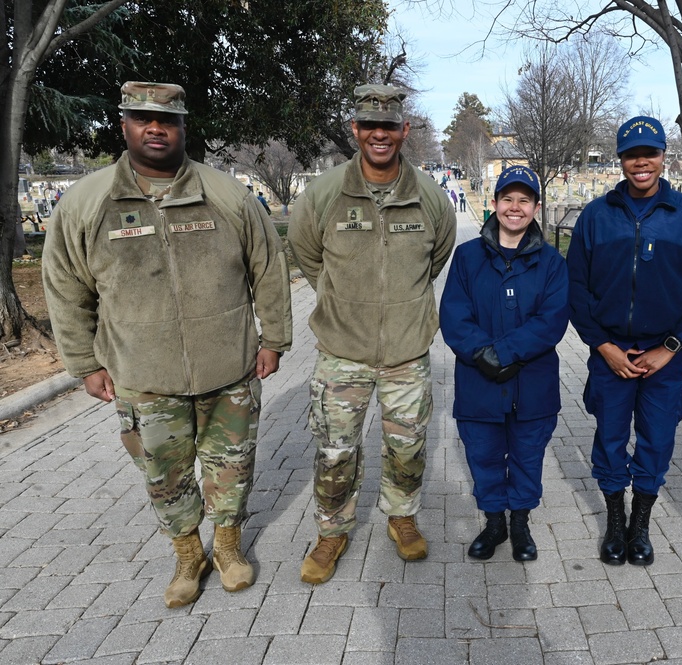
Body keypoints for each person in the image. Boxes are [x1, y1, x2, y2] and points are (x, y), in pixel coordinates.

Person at [42, 81, 293, 608]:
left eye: (167, 120)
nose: (155, 129)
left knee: (232, 467)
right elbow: (65, 287)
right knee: (164, 474)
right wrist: (84, 363)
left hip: (228, 368)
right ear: (124, 125)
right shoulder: (87, 202)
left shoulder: (226, 195)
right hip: (143, 375)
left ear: (183, 127)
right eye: (142, 119)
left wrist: (274, 338)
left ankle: (228, 548)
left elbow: (268, 267)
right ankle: (188, 555)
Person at [288, 84, 457, 584]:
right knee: (335, 451)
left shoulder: (429, 197)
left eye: (389, 126)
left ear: (404, 130)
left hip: (406, 351)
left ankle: (401, 516)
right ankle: (332, 531)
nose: (379, 134)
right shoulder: (324, 194)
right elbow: (307, 254)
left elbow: (435, 259)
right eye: (369, 125)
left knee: (407, 447)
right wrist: (341, 300)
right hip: (343, 352)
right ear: (355, 129)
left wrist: (401, 304)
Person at [566, 116, 682, 566]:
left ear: (663, 157)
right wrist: (602, 345)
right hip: (610, 351)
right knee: (610, 438)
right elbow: (577, 287)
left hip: (665, 355)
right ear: (621, 160)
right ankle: (616, 520)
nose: (641, 162)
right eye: (632, 155)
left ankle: (640, 524)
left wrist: (670, 348)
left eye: (650, 153)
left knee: (657, 439)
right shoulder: (596, 216)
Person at [440, 166, 569, 562]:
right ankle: (494, 521)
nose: (515, 207)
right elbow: (454, 315)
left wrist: (506, 353)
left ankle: (520, 523)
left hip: (532, 385)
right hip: (479, 381)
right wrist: (483, 354)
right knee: (484, 455)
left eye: (524, 200)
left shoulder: (551, 262)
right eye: (508, 199)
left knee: (528, 456)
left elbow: (552, 320)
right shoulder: (467, 257)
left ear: (536, 207)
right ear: (494, 204)